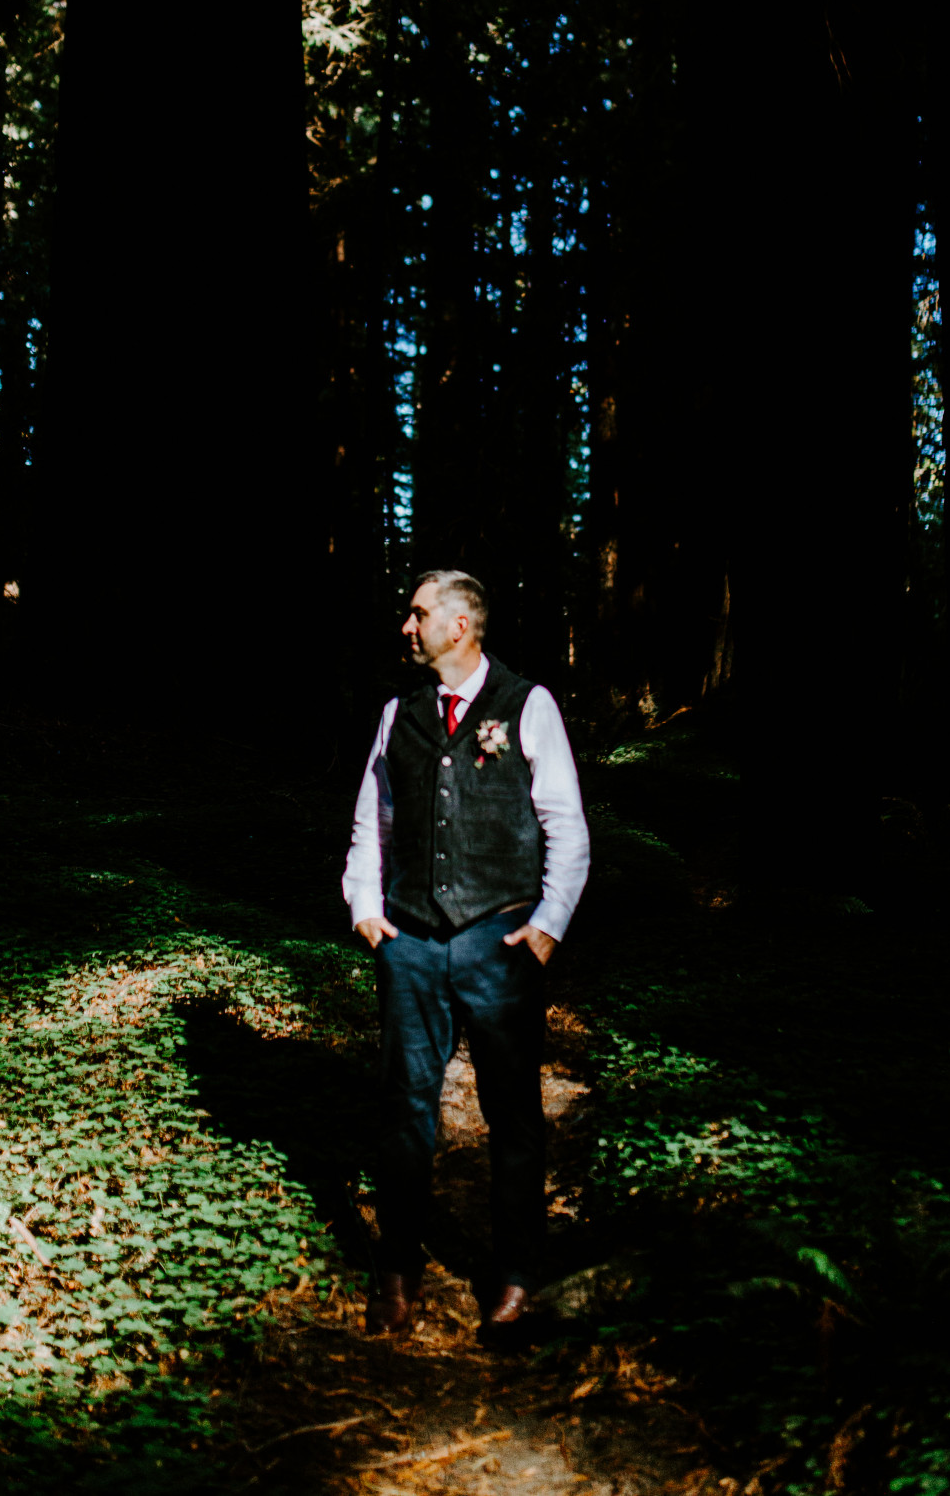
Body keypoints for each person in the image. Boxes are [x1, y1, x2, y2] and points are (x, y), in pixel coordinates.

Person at [342, 569, 590, 1335]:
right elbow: (371, 823)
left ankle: (515, 1275)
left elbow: (566, 825)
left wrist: (546, 926)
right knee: (405, 1108)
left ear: (460, 627)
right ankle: (398, 1271)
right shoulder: (400, 714)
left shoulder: (528, 705)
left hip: (499, 938)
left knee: (511, 1111)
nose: (406, 628)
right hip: (410, 941)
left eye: (418, 615)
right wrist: (365, 909)